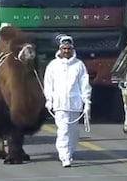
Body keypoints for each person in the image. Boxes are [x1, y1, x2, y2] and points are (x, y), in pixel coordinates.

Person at [43, 34, 92, 168]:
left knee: (73, 132)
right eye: (64, 48)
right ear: (60, 49)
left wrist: (87, 101)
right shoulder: (53, 65)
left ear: (72, 49)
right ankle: (64, 156)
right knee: (63, 130)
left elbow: (84, 84)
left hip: (75, 104)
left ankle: (70, 152)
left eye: (68, 49)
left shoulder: (79, 65)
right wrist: (49, 99)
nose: (66, 51)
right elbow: (48, 84)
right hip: (59, 104)